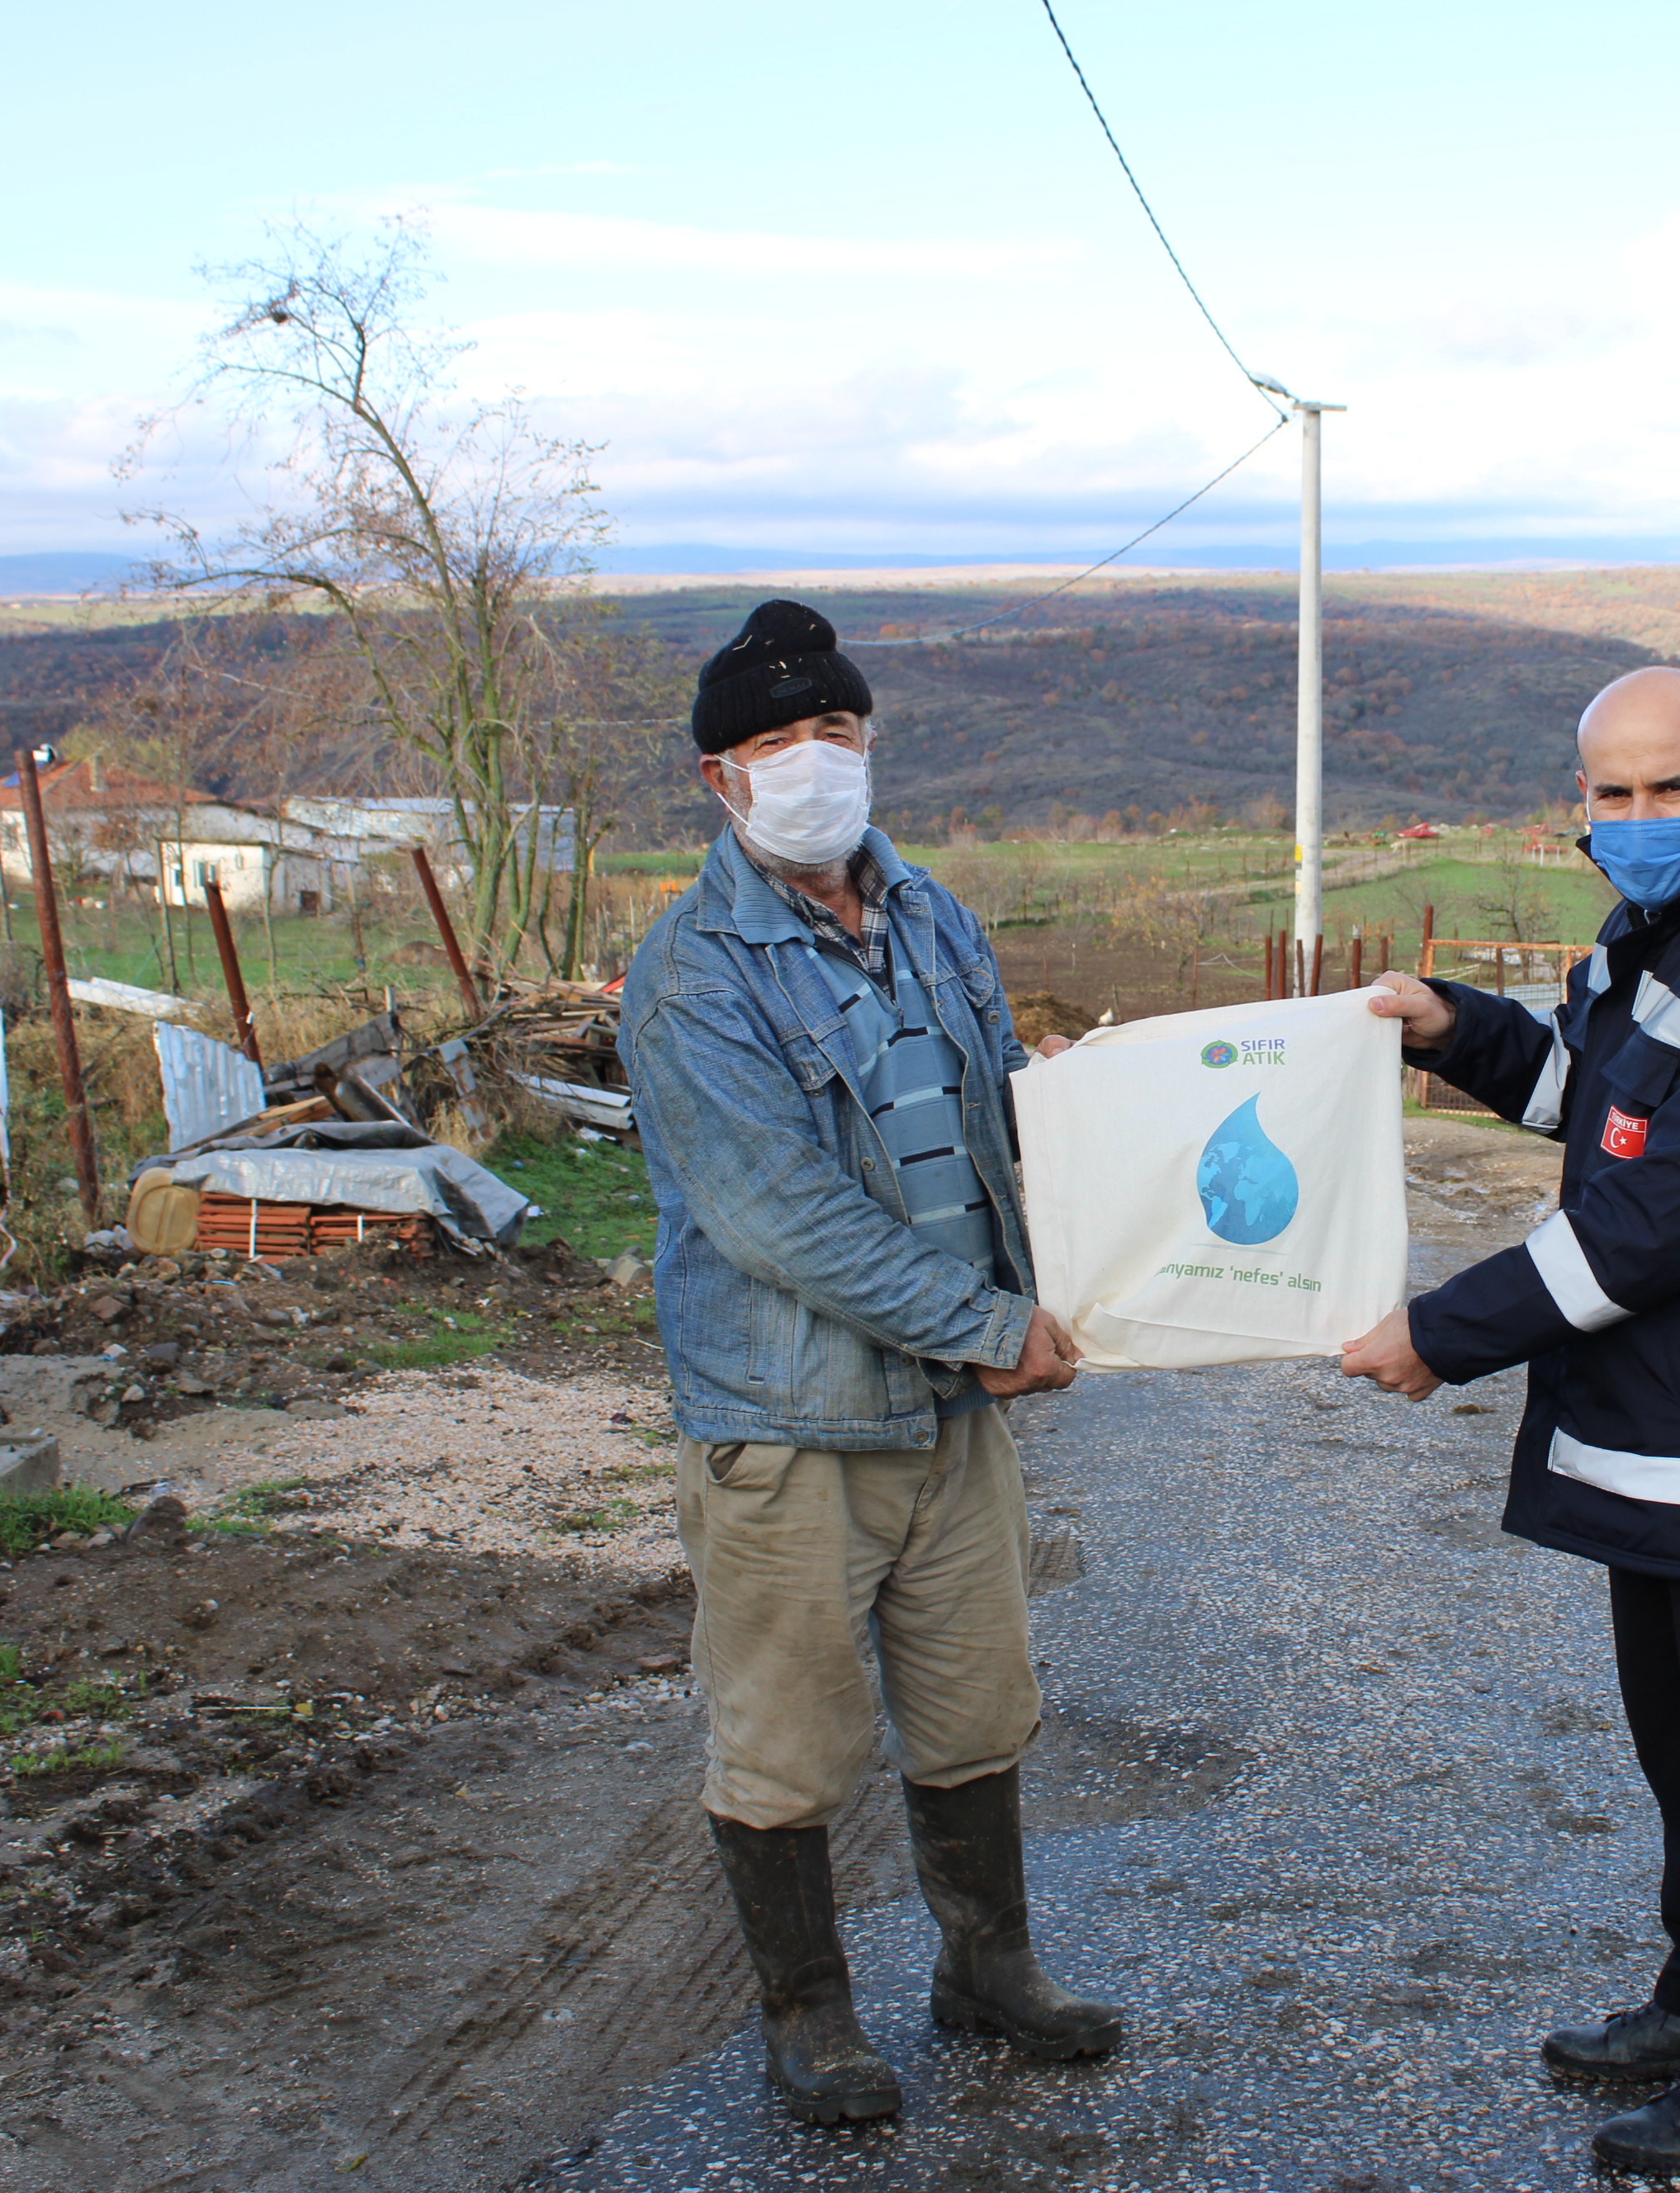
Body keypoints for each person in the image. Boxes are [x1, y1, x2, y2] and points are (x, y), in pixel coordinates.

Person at [1342, 665, 1680, 2176]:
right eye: (1613, 792)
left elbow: (1656, 1223)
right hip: (1658, 1422)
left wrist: (1440, 1337)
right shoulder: (1666, 925)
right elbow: (1600, 1109)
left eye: (1671, 787)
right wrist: (1454, 1029)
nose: (1640, 817)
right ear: (1579, 797)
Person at [622, 599, 1119, 2128]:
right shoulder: (695, 970)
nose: (810, 761)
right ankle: (808, 2016)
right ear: (722, 780)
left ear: (868, 742)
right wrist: (990, 1327)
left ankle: (987, 1970)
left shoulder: (934, 916)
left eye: (832, 731)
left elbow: (1016, 1118)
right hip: (789, 1422)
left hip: (947, 1418)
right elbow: (782, 1217)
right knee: (789, 1739)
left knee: (977, 1709)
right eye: (774, 743)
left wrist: (1127, 1207)